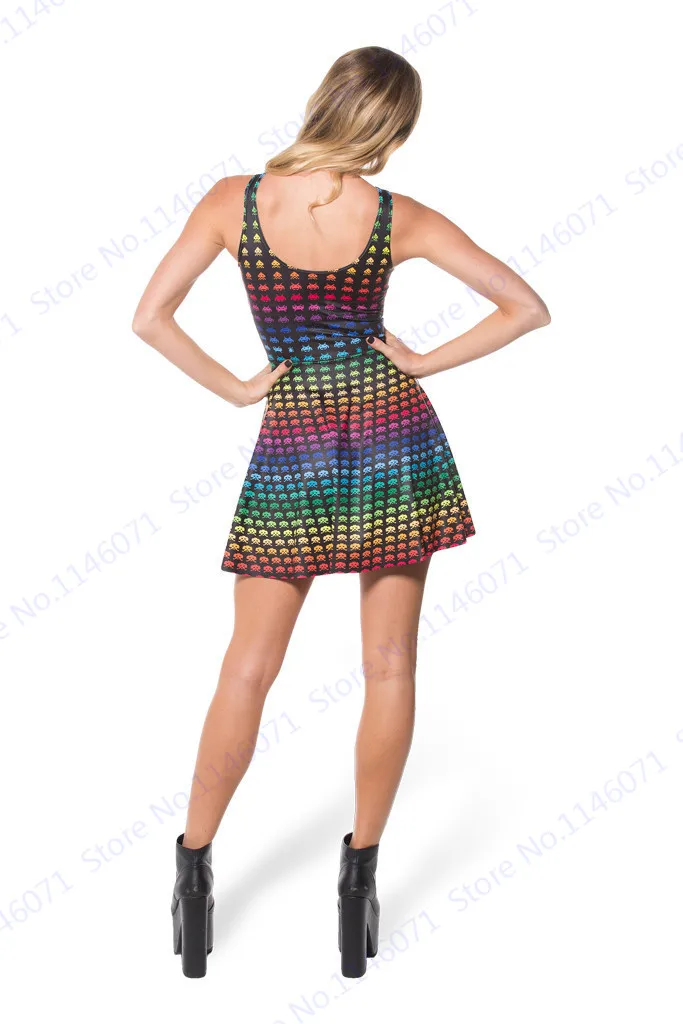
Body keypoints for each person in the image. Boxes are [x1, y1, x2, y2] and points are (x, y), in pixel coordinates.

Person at [132, 45, 550, 979]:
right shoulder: (396, 217)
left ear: (324, 100)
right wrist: (422, 362)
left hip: (293, 443)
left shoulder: (234, 202)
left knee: (247, 668)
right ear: (390, 128)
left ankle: (192, 870)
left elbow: (150, 316)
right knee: (390, 664)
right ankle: (358, 882)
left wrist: (240, 388)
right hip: (392, 434)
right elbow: (525, 306)